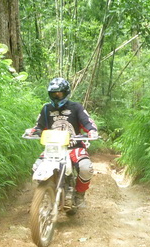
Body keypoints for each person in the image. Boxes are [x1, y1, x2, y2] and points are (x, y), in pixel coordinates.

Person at [25, 77, 99, 207]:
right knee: (35, 168)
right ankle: (46, 192)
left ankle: (79, 195)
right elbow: (39, 126)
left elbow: (87, 122)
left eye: (59, 93)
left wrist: (92, 131)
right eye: (54, 93)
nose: (56, 96)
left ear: (66, 93)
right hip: (53, 148)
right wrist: (34, 131)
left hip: (74, 147)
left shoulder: (76, 107)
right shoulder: (46, 109)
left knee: (85, 168)